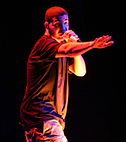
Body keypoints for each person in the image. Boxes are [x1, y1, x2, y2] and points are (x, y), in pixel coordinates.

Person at [20, 6, 114, 142]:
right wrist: (92, 44)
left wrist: (74, 43)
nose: (63, 29)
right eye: (57, 25)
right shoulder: (45, 44)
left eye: (66, 23)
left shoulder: (61, 48)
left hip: (49, 118)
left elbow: (80, 72)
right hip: (41, 115)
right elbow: (67, 50)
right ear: (47, 25)